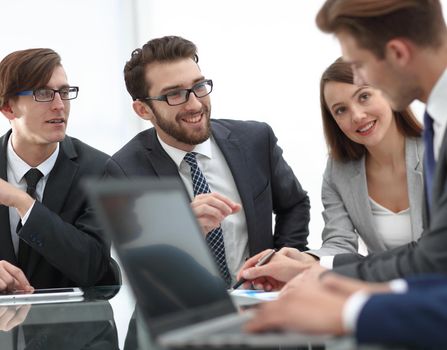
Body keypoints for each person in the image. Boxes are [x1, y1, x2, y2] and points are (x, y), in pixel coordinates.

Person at [243, 0, 447, 347]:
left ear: (397, 53)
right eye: (340, 109)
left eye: (360, 67)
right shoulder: (436, 123)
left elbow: (432, 258)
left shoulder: (431, 135)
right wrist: (312, 267)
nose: (361, 79)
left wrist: (341, 303)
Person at [104, 35, 310, 285]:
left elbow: (294, 204)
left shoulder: (255, 140)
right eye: (175, 94)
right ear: (143, 110)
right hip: (183, 310)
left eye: (199, 87)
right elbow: (138, 267)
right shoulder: (125, 170)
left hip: (260, 302)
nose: (195, 104)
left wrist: (280, 263)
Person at [0, 48, 118, 292]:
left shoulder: (100, 170)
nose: (59, 105)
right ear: (8, 108)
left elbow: (93, 267)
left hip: (75, 326)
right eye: (43, 93)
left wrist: (23, 202)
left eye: (64, 92)